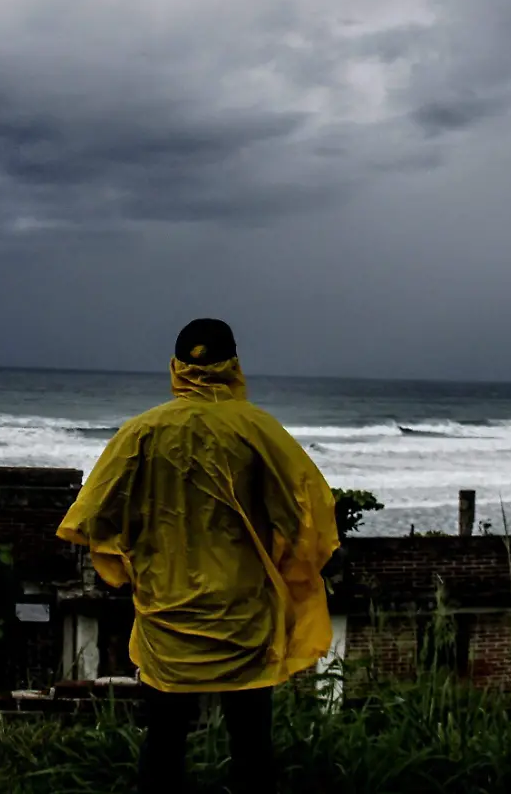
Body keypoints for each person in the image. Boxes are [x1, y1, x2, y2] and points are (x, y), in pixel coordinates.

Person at [58, 319, 338, 794]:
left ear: (176, 367)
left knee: (164, 741)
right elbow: (306, 512)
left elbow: (91, 517)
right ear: (234, 366)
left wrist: (135, 557)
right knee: (251, 744)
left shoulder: (141, 432)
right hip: (243, 613)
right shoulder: (259, 430)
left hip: (167, 613)